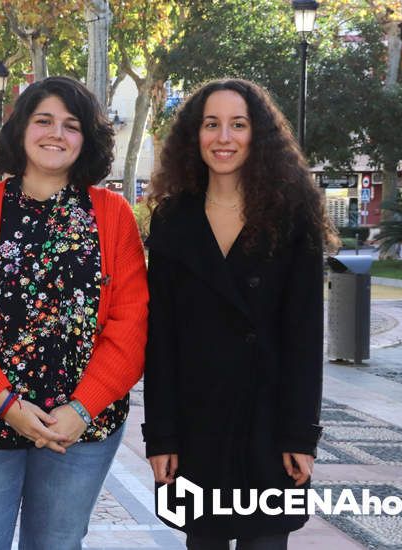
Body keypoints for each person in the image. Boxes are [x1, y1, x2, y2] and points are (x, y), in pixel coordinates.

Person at [0, 76, 149, 549]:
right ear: (20, 129)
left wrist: (81, 409)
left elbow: (129, 328)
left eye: (72, 125)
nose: (57, 133)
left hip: (80, 429)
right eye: (44, 120)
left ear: (86, 140)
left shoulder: (113, 216)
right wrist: (6, 404)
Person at [141, 78, 336, 549]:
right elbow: (161, 339)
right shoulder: (171, 218)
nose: (223, 138)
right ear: (195, 134)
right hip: (197, 425)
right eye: (212, 124)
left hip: (269, 425)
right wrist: (161, 437)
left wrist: (300, 435)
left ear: (258, 135)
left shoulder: (294, 216)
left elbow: (305, 337)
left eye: (238, 125)